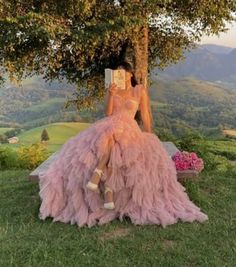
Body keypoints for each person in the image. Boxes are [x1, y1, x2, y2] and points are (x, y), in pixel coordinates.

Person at [38, 61, 208, 228]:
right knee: (110, 139)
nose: (120, 74)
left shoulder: (139, 89)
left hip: (129, 128)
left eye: (123, 72)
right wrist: (111, 94)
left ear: (130, 73)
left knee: (115, 141)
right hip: (110, 124)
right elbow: (109, 113)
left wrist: (149, 134)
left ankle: (100, 179)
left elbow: (145, 113)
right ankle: (107, 191)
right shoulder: (113, 88)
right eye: (117, 72)